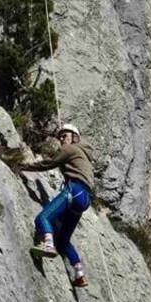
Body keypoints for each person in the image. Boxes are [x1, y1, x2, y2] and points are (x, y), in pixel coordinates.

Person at [19, 123, 95, 288]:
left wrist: (25, 166)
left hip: (74, 190)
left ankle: (47, 244)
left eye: (65, 135)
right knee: (64, 241)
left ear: (74, 137)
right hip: (84, 200)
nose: (61, 139)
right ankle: (79, 273)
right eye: (60, 136)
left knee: (43, 218)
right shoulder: (85, 156)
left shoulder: (70, 149)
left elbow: (48, 164)